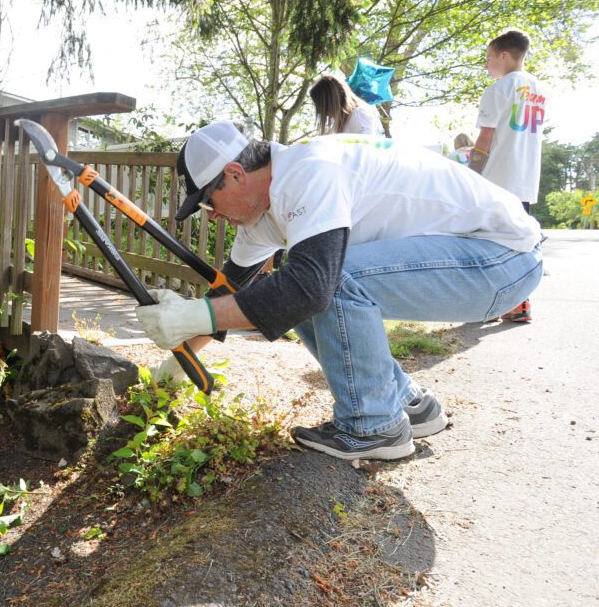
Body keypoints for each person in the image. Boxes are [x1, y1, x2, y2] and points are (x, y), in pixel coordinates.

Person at [136, 121, 543, 461]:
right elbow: (228, 297)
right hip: (476, 261)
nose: (214, 215)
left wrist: (190, 317)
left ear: (235, 174)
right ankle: (410, 404)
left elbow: (313, 287)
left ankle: (375, 426)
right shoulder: (265, 212)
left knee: (326, 277)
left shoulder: (308, 172)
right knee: (301, 282)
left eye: (208, 202)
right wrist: (180, 361)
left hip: (501, 261)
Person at [470, 29, 548, 322]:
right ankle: (520, 302)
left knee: (489, 243)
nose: (488, 65)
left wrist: (471, 176)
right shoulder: (540, 90)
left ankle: (493, 303)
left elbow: (485, 140)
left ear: (504, 55)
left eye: (489, 58)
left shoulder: (498, 89)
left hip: (498, 179)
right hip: (526, 179)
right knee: (521, 241)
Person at [309, 74, 383, 136]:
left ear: (331, 102)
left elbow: (366, 148)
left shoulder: (359, 115)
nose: (321, 112)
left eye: (323, 107)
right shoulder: (337, 125)